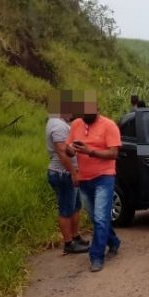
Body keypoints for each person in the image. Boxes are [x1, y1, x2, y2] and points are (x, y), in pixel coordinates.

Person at [66, 91, 122, 272]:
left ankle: (96, 256)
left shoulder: (109, 125)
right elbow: (68, 148)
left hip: (104, 177)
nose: (84, 116)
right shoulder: (76, 124)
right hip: (84, 178)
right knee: (96, 218)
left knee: (99, 217)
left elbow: (113, 153)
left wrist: (90, 151)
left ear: (97, 109)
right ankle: (113, 241)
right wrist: (70, 150)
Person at [46, 91, 89, 254]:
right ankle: (68, 243)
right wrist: (73, 172)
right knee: (65, 208)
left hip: (66, 172)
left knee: (75, 206)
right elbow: (61, 152)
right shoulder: (57, 125)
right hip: (62, 173)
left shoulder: (59, 122)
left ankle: (75, 237)